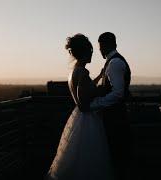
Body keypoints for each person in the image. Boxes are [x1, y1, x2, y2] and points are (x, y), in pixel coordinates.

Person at [46, 34, 114, 180]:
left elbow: (85, 89)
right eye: (91, 52)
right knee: (88, 159)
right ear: (85, 52)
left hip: (79, 118)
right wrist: (104, 91)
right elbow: (84, 102)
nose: (92, 55)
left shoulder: (74, 72)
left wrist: (100, 77)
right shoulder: (82, 72)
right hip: (87, 120)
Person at [90, 32, 131, 180]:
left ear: (106, 45)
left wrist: (96, 104)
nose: (99, 51)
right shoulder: (111, 62)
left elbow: (118, 93)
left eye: (100, 47)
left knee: (117, 158)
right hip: (112, 118)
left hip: (116, 120)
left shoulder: (115, 63)